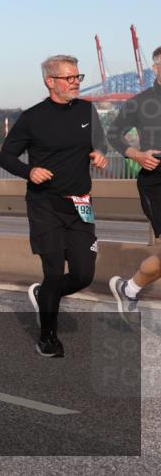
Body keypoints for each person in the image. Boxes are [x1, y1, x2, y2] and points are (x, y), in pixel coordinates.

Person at [0, 55, 107, 358]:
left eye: (78, 77)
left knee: (84, 274)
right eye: (69, 78)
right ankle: (47, 337)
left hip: (81, 203)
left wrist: (99, 153)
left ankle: (45, 294)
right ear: (51, 81)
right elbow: (5, 157)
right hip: (44, 204)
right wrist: (28, 171)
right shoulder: (33, 118)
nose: (76, 82)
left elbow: (100, 143)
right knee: (55, 271)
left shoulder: (87, 110)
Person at [107, 45, 161, 322]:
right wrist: (137, 155)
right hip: (156, 182)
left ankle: (129, 288)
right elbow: (114, 134)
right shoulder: (140, 102)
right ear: (156, 68)